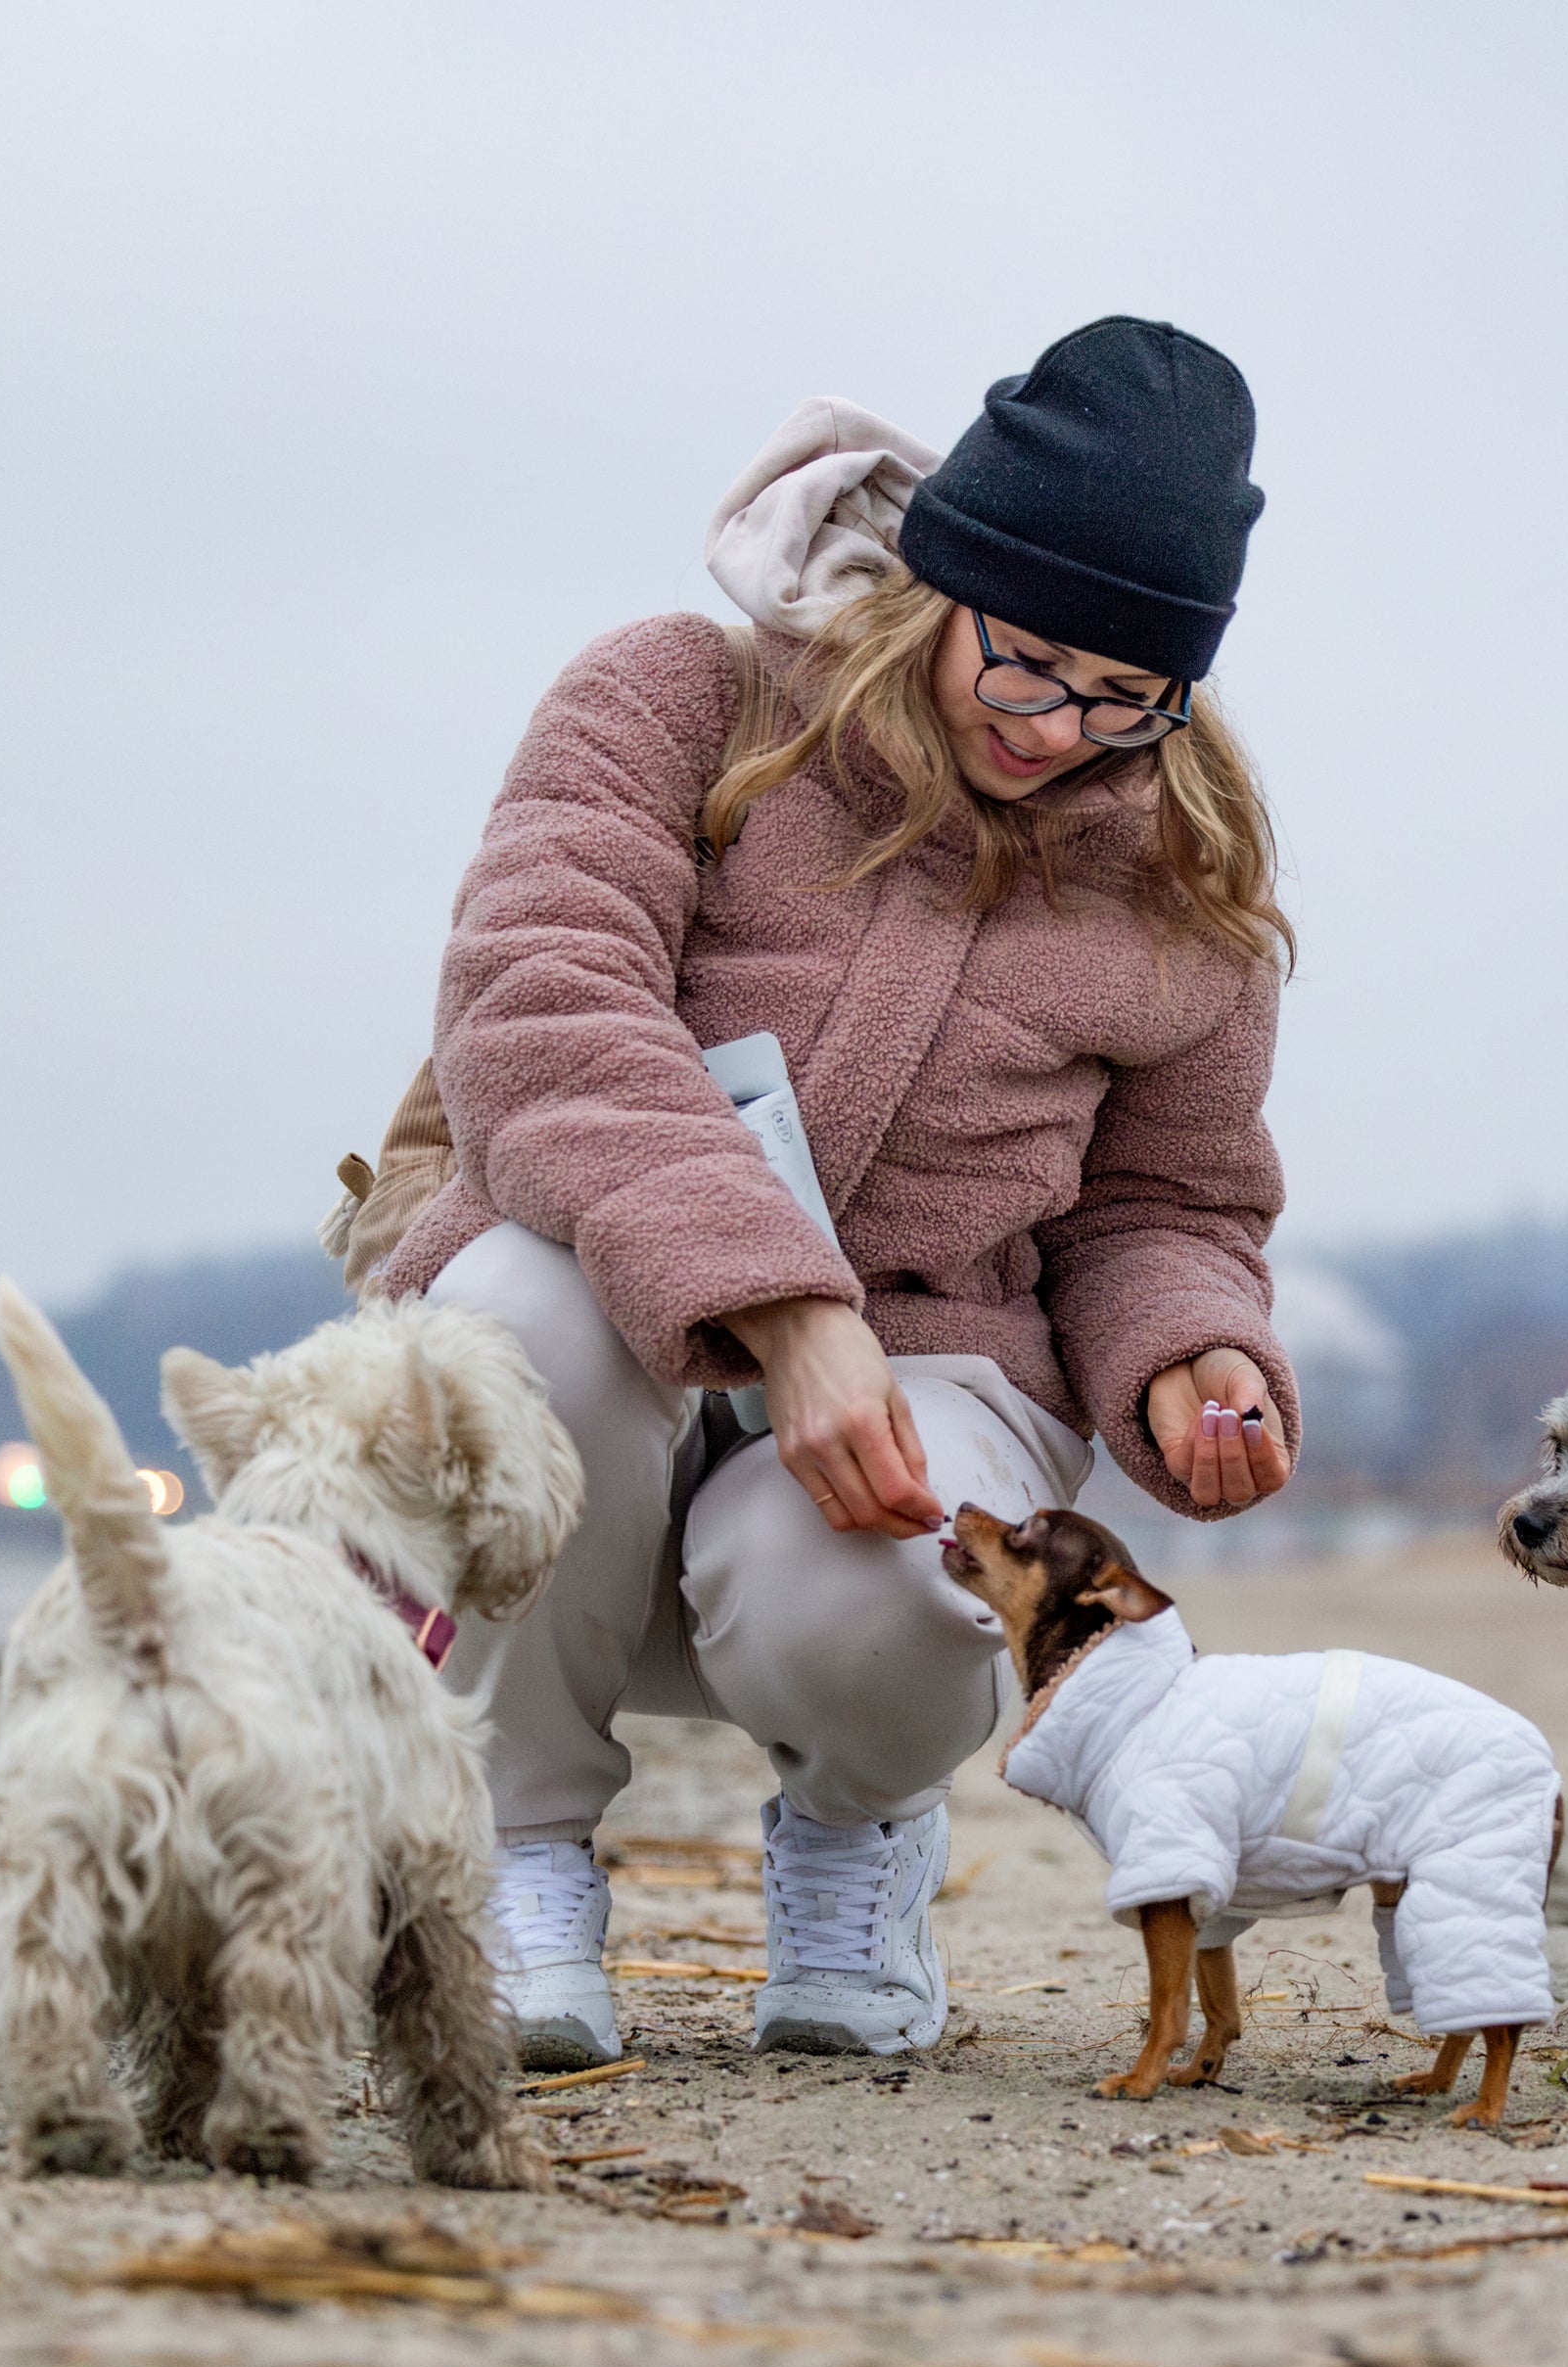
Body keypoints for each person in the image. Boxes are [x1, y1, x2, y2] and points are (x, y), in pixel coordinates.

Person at [383, 317, 1299, 2065]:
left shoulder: (1183, 879)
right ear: (937, 580)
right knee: (515, 1313)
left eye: (1128, 696)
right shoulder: (676, 696)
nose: (1063, 730)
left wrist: (1192, 1350)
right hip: (610, 1342)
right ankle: (510, 1862)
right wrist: (789, 1310)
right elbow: (541, 1005)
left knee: (907, 1590)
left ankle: (857, 1829)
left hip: (944, 1367)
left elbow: (1170, 1206)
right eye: (1026, 665)